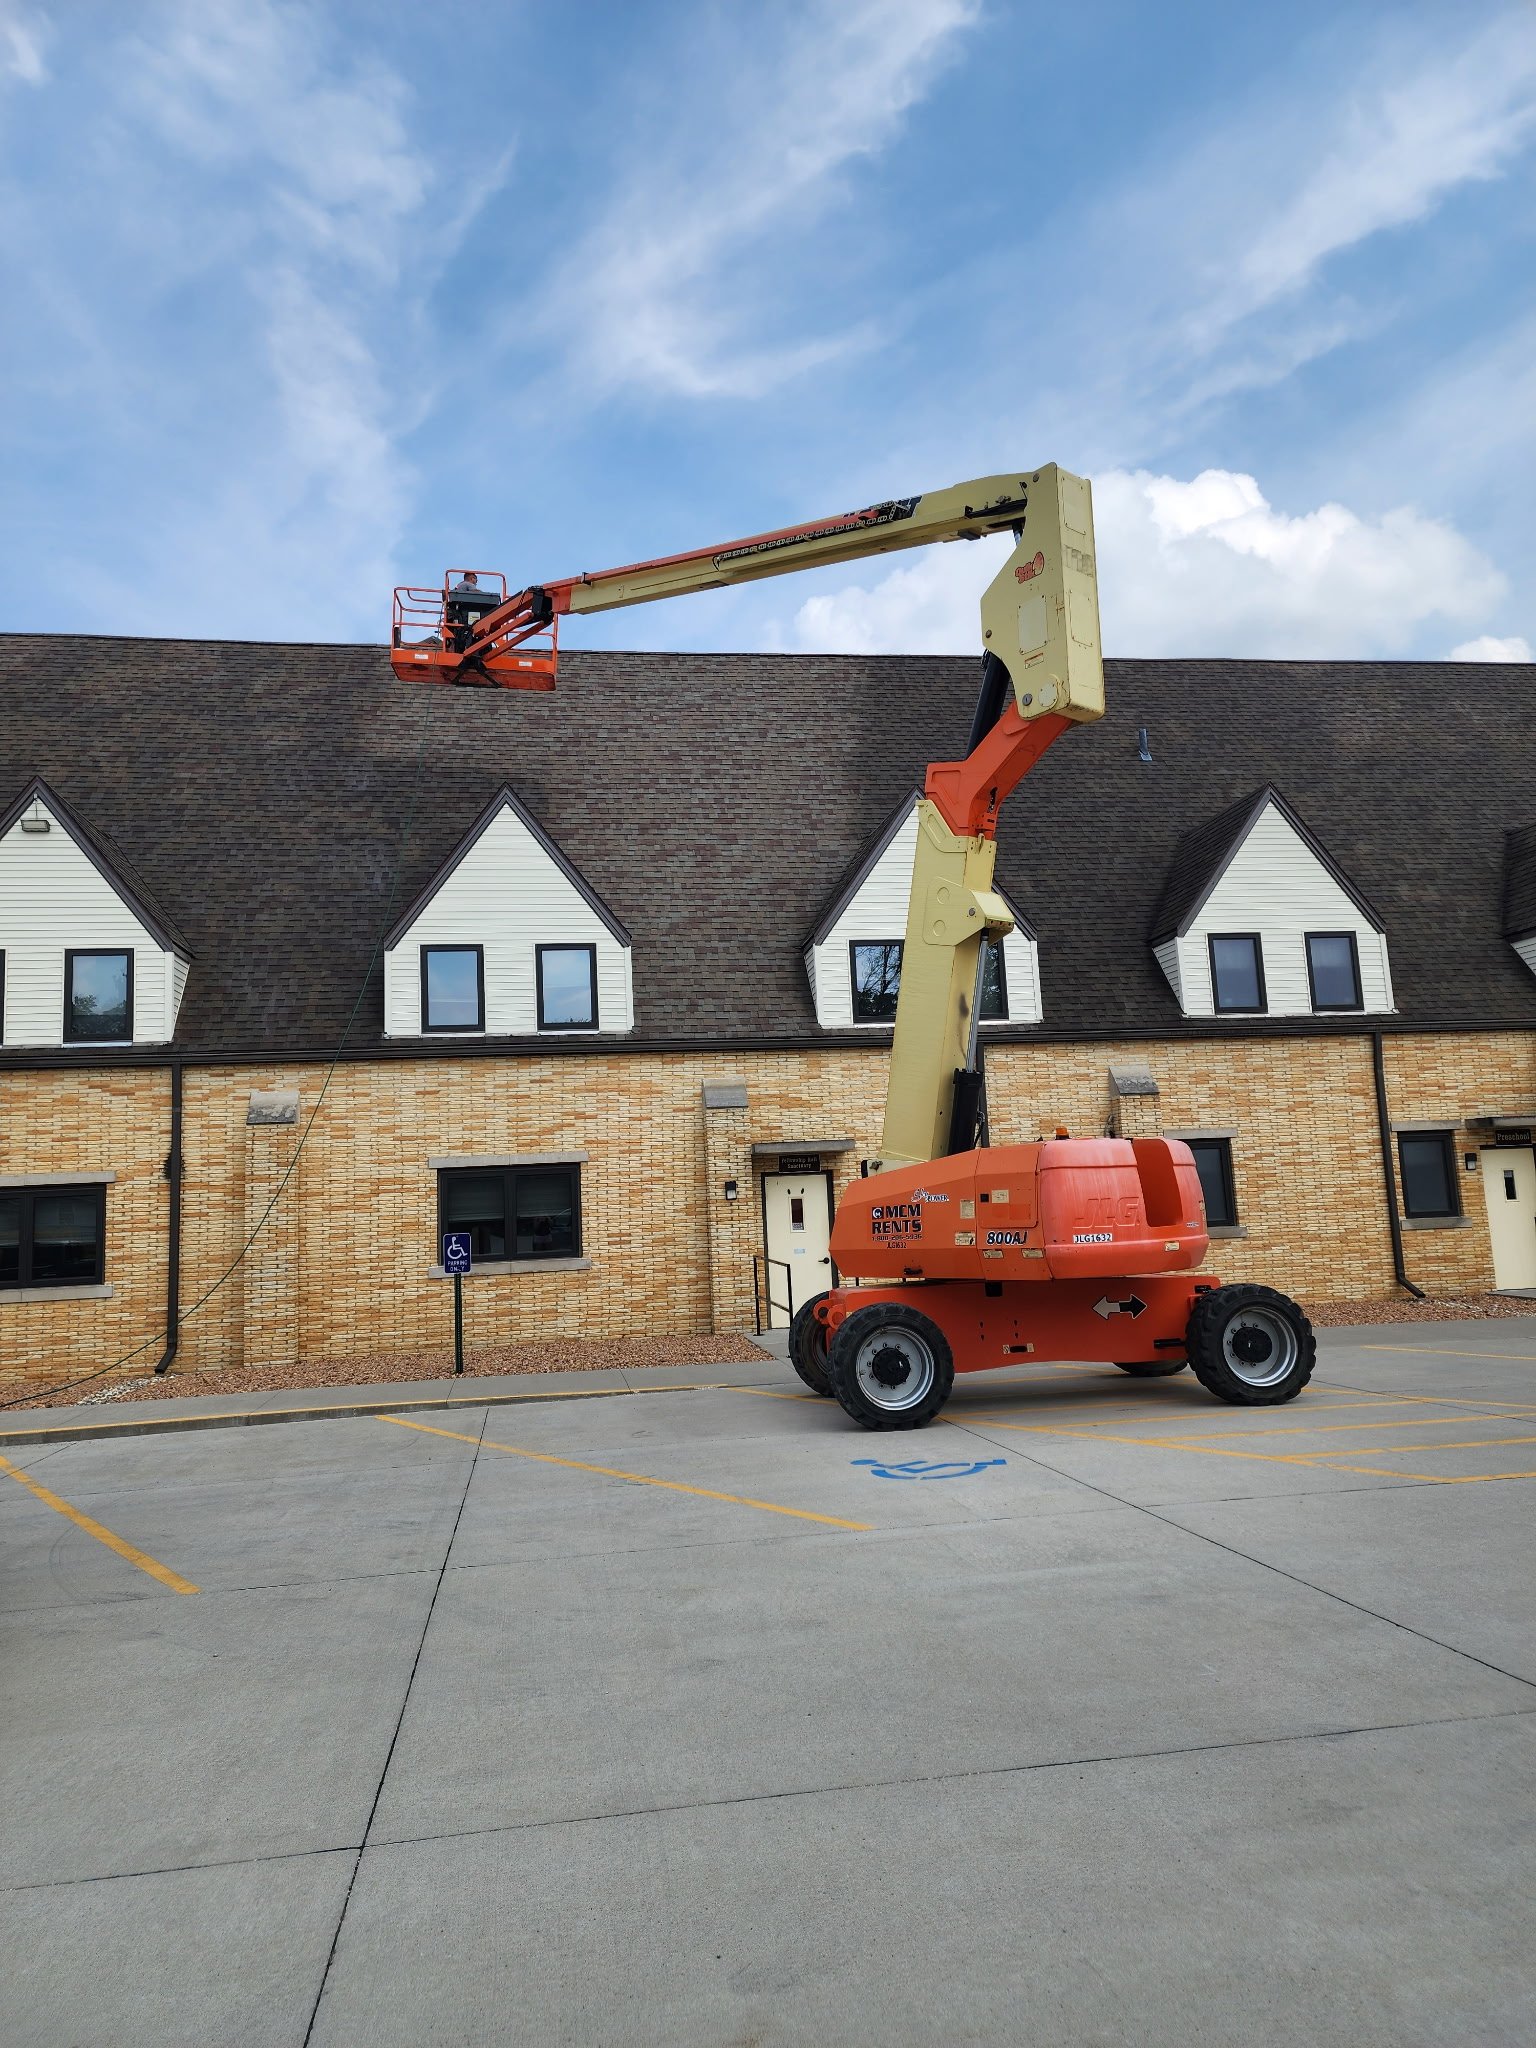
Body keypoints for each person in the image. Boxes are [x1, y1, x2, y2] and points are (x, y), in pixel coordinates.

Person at [444, 571, 498, 652]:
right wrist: (488, 595)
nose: (476, 582)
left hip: (459, 616)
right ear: (471, 578)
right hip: (465, 614)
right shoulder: (468, 584)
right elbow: (476, 592)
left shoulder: (459, 585)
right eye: (475, 579)